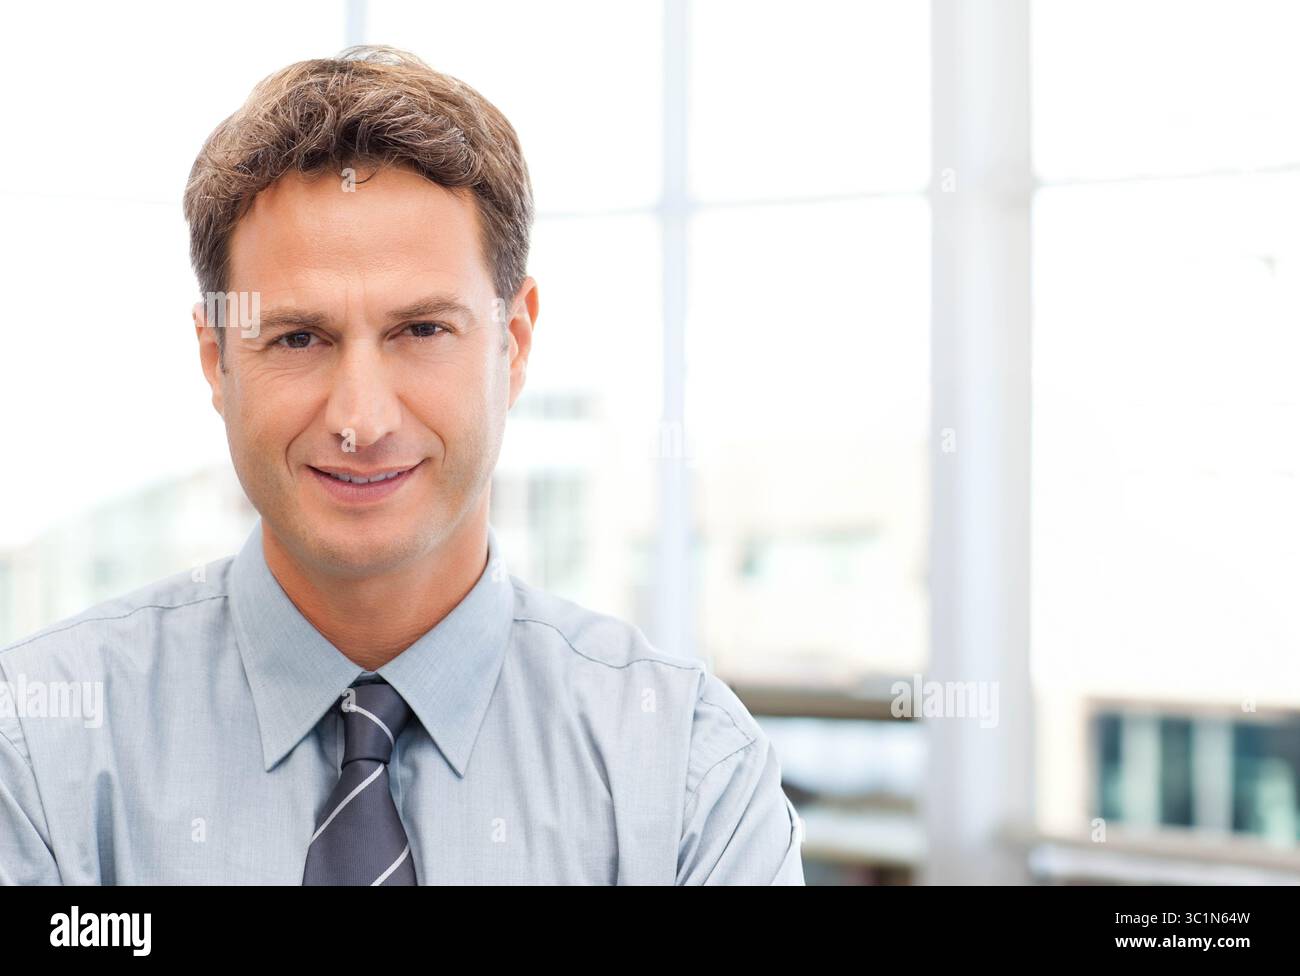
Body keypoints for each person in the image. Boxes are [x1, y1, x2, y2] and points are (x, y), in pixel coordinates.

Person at [0, 45, 804, 885]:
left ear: (514, 341)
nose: (361, 419)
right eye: (298, 338)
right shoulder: (36, 752)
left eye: (422, 331)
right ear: (216, 359)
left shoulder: (687, 772)